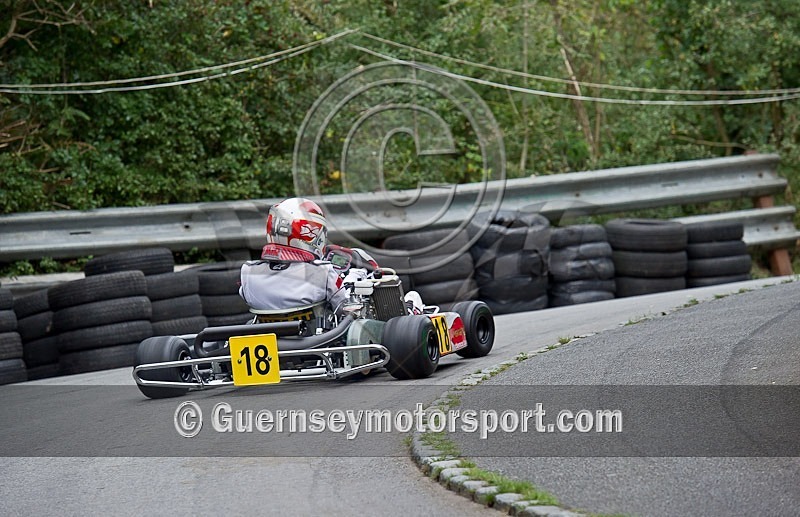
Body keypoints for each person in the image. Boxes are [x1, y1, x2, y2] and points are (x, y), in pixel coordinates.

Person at [239, 197, 348, 315]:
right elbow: (343, 308)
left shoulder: (248, 272)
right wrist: (352, 277)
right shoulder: (323, 272)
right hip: (313, 327)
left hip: (265, 326)